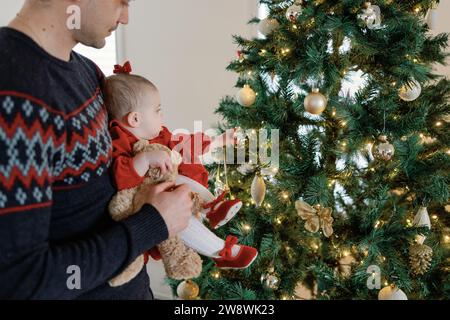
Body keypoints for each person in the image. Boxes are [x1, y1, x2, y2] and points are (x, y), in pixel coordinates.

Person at [0, 0, 193, 299]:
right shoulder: (14, 93)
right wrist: (152, 224)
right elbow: (24, 282)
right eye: (122, 2)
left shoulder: (84, 69)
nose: (126, 17)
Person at [104, 62, 258, 269]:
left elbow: (185, 144)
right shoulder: (118, 140)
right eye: (158, 111)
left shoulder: (159, 135)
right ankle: (222, 252)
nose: (162, 116)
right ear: (135, 118)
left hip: (169, 191)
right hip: (149, 207)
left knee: (180, 178)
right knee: (180, 216)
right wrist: (145, 160)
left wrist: (218, 141)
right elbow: (121, 177)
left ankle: (211, 207)